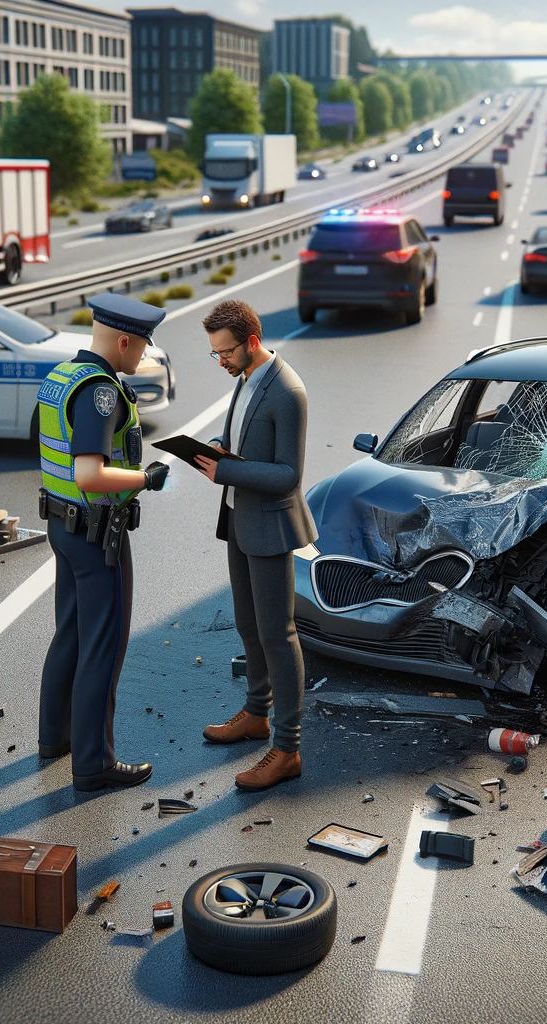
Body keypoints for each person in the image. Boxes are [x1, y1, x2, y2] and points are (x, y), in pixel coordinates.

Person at [37, 293, 170, 792]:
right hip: (97, 536)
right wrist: (147, 480)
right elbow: (90, 473)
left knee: (70, 634)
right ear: (122, 341)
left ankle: (56, 738)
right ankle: (94, 764)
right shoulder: (101, 392)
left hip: (61, 525)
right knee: (103, 646)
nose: (141, 358)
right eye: (140, 348)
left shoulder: (61, 378)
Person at [193, 300, 317, 791]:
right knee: (248, 624)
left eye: (224, 352)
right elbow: (240, 439)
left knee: (277, 634)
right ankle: (256, 713)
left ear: (250, 341)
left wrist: (227, 470)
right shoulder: (245, 380)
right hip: (240, 518)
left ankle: (287, 749)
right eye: (214, 354)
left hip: (270, 524)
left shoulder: (288, 391)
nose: (220, 361)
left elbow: (289, 474)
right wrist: (215, 451)